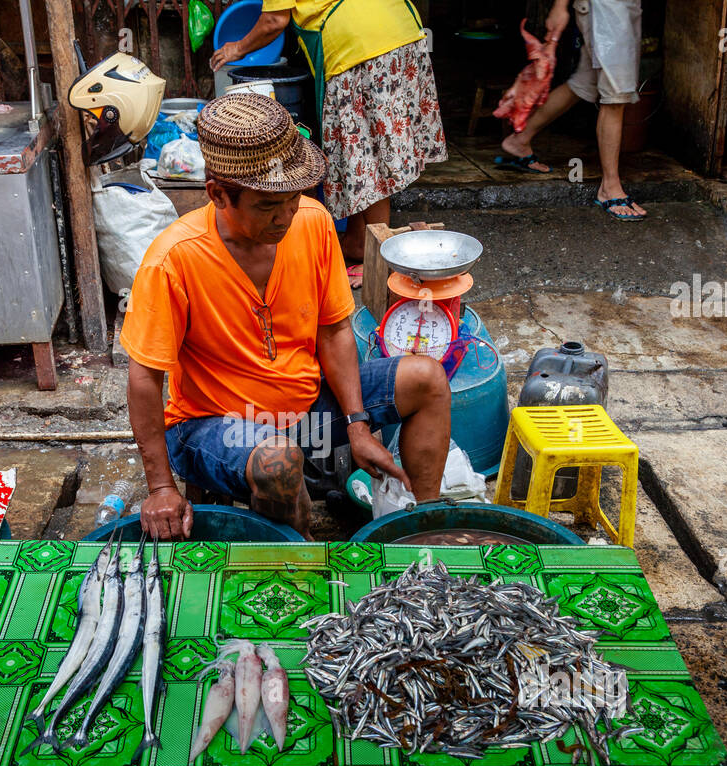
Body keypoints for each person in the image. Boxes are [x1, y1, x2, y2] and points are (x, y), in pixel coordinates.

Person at [121, 94, 452, 541]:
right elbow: (144, 379)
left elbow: (334, 330)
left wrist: (357, 423)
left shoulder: (312, 222)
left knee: (427, 378)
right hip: (209, 424)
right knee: (277, 460)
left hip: (306, 406)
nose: (285, 216)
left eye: (292, 198)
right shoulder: (173, 260)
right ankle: (301, 552)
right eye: (266, 206)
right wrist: (160, 487)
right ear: (219, 194)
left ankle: (424, 529)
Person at [209, 0, 447, 286]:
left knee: (368, 154)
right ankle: (359, 240)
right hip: (402, 30)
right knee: (367, 148)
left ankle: (376, 258)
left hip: (361, 45)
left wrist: (235, 48)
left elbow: (274, 21)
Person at [499, 0, 646, 222]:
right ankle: (610, 188)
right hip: (607, 10)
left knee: (584, 83)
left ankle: (520, 140)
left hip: (618, 8)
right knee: (616, 95)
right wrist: (560, 6)